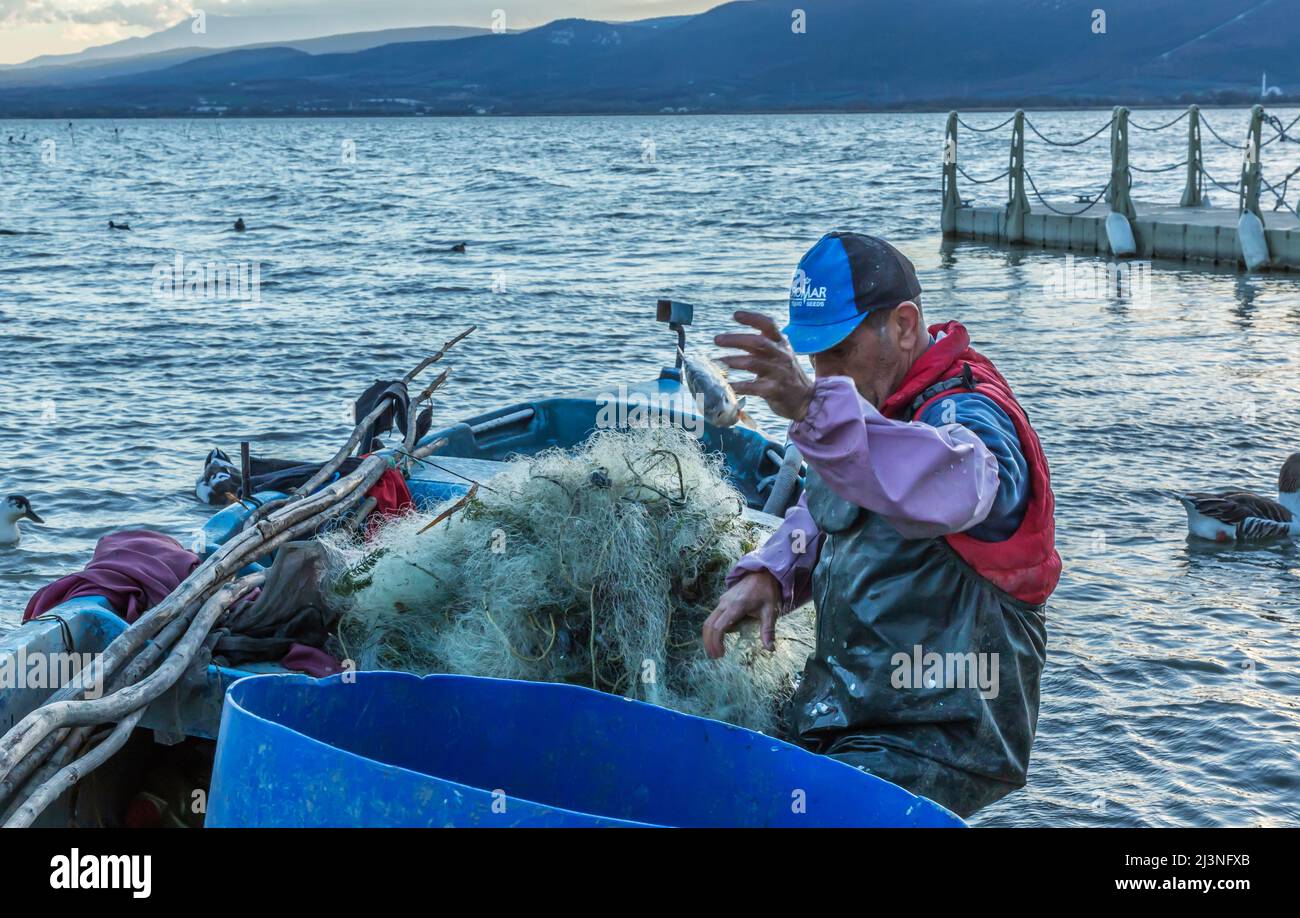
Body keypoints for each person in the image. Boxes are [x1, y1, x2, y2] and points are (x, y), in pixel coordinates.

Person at [704, 231, 1059, 817]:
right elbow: (833, 504)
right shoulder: (877, 413)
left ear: (902, 324)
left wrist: (808, 407)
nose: (825, 373)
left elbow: (948, 480)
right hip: (851, 714)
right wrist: (774, 572)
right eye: (814, 358)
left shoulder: (972, 416)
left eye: (839, 351)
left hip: (942, 734)